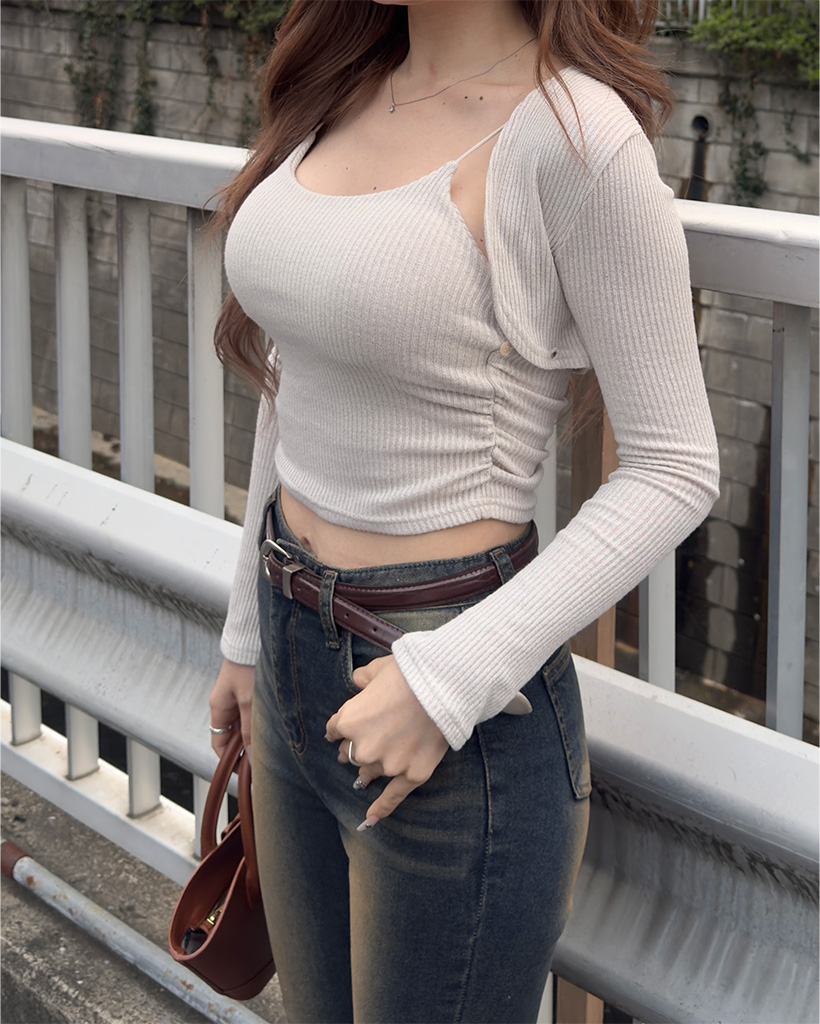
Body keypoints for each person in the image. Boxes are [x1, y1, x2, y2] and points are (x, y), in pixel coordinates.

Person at [207, 1, 720, 1021]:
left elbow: (675, 466)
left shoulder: (574, 137)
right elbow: (295, 381)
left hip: (451, 699)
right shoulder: (345, 80)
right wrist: (245, 640)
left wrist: (446, 681)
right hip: (291, 649)